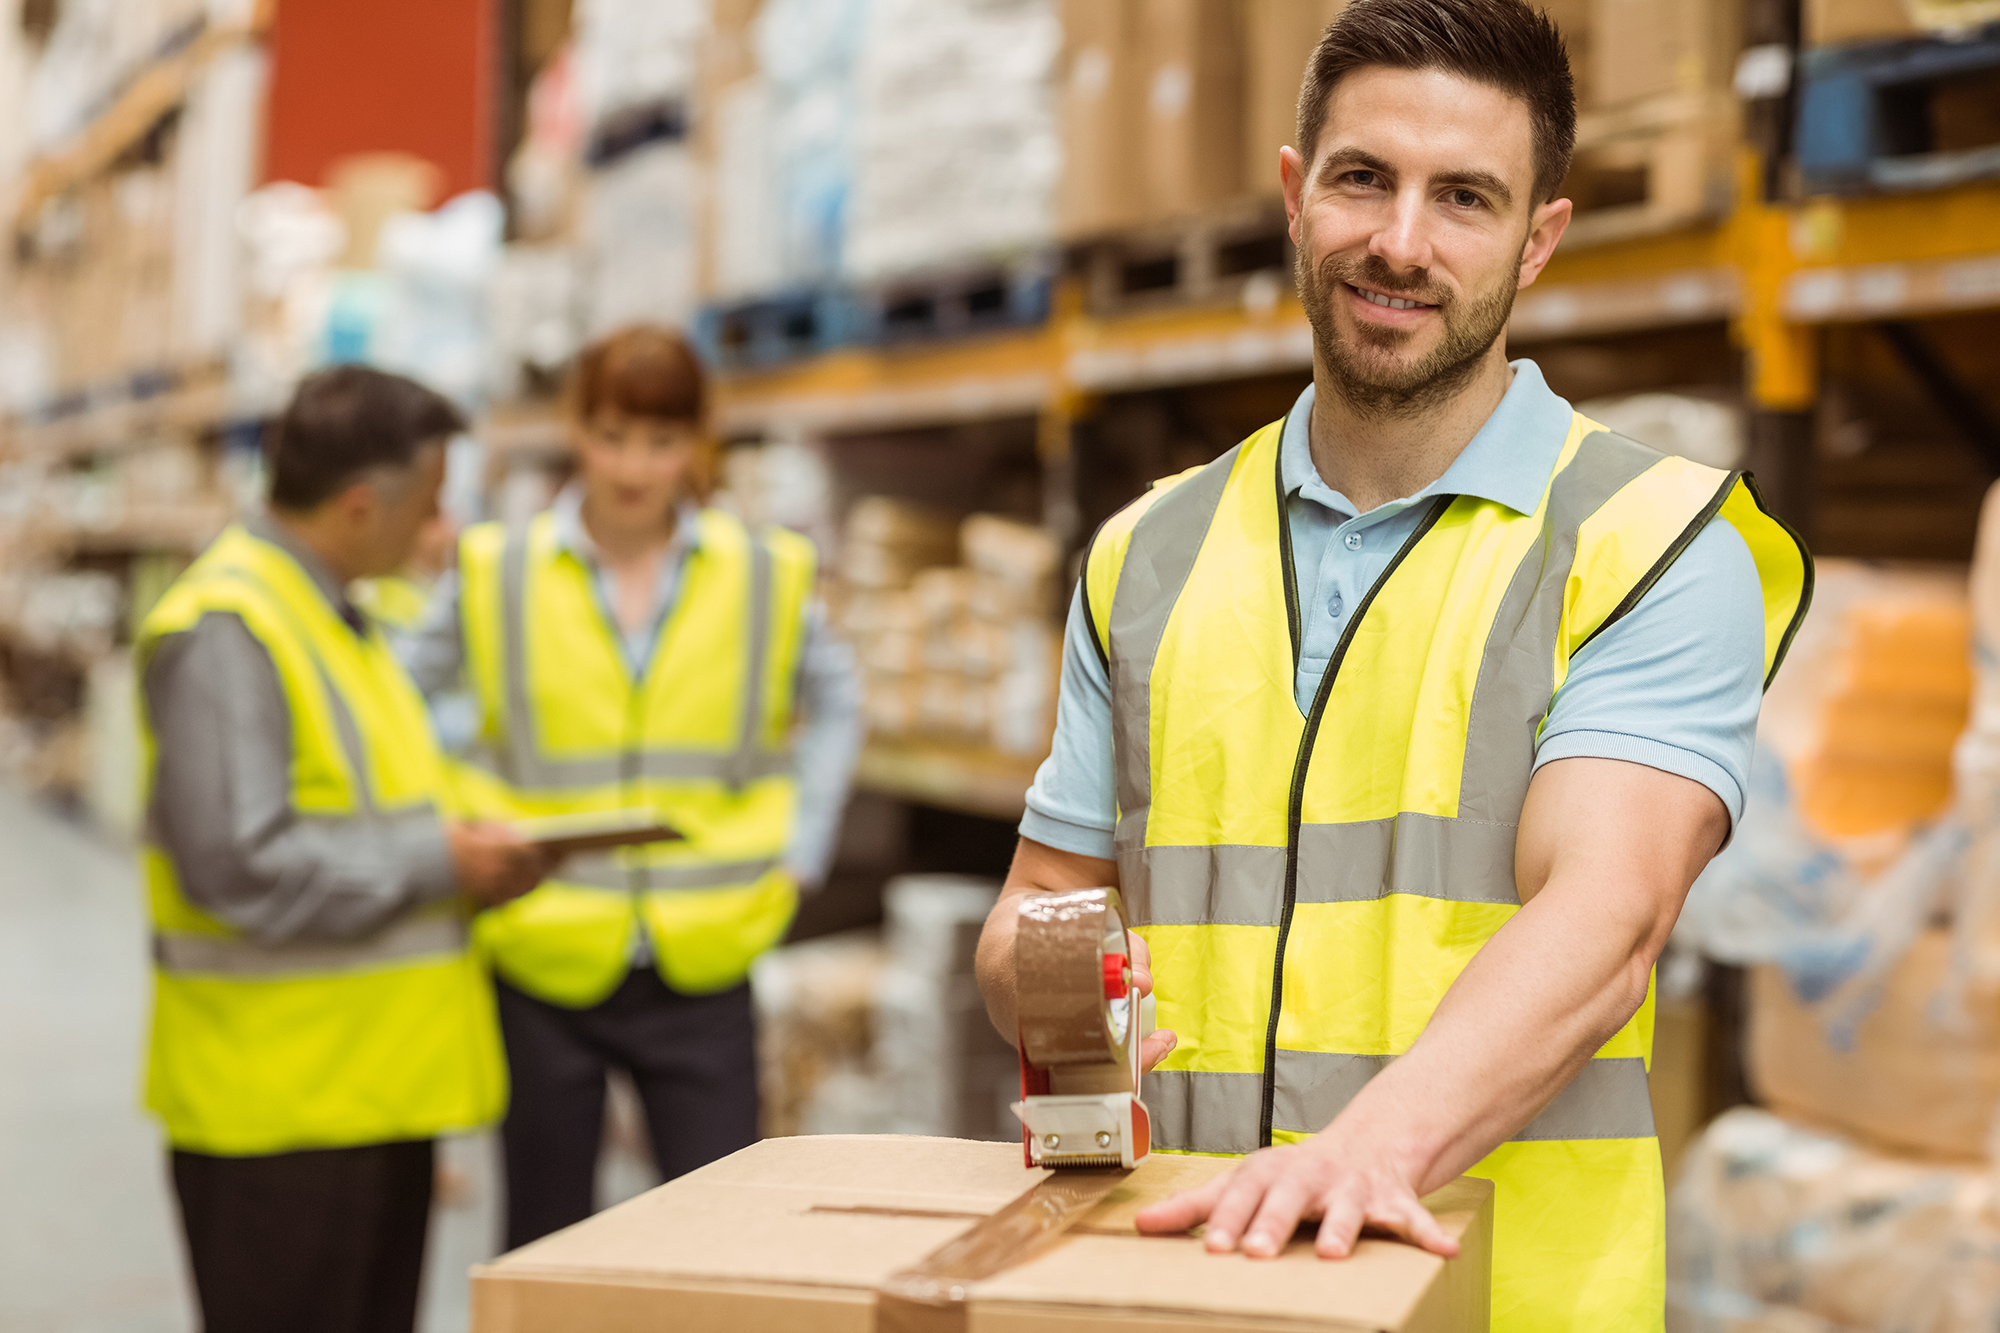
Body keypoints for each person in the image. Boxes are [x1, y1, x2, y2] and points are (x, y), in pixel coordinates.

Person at [972, 2, 1811, 1328]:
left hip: (1494, 1297)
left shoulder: (1648, 543)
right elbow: (1040, 910)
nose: (1401, 243)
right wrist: (1070, 986)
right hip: (1192, 1284)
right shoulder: (1149, 552)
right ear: (1299, 196)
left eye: (1464, 197)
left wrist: (1366, 1151)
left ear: (1539, 241)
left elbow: (1609, 915)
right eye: (1366, 179)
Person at [403, 324, 864, 1249]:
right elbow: (396, 698)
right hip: (544, 940)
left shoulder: (764, 571)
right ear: (576, 427)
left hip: (706, 945)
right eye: (612, 435)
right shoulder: (497, 567)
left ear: (700, 440)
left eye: (661, 441)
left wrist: (805, 847)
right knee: (544, 1234)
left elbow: (837, 698)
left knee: (719, 1239)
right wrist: (457, 822)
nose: (633, 466)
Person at [136, 365, 554, 1333]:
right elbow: (235, 863)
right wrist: (438, 864)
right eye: (432, 503)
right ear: (362, 505)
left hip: (366, 1099)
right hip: (278, 1118)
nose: (440, 528)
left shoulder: (340, 614)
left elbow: (371, 801)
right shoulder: (228, 628)